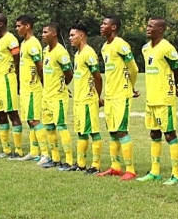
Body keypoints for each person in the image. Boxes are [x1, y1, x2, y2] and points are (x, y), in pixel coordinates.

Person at [136, 17, 178, 185]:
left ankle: (176, 174)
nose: (148, 28)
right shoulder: (146, 48)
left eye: (151, 26)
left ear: (161, 29)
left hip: (165, 99)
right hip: (151, 99)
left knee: (169, 134)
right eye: (147, 25)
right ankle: (154, 171)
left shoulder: (167, 48)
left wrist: (173, 86)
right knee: (154, 133)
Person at [97, 16, 139, 180]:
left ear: (113, 27)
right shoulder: (104, 47)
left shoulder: (121, 44)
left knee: (122, 131)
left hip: (121, 94)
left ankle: (130, 169)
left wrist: (131, 86)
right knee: (113, 131)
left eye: (105, 24)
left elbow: (133, 68)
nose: (102, 26)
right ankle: (115, 167)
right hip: (110, 95)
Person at [69, 23, 103, 173]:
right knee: (81, 131)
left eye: (72, 35)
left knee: (93, 131)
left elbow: (97, 77)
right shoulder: (77, 54)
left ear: (81, 36)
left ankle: (95, 165)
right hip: (78, 99)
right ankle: (80, 163)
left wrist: (97, 96)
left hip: (88, 99)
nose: (70, 38)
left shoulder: (89, 53)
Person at [15, 15, 50, 162]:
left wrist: (42, 84)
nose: (17, 29)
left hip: (32, 88)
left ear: (27, 26)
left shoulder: (33, 43)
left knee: (35, 120)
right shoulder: (24, 43)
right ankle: (34, 152)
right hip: (25, 88)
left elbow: (40, 66)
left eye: (19, 26)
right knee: (29, 120)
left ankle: (46, 154)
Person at [40, 23, 74, 169]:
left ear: (54, 34)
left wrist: (62, 86)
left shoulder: (61, 52)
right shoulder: (46, 50)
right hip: (46, 96)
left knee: (61, 126)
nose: (42, 34)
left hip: (58, 97)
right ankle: (54, 158)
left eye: (45, 32)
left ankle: (69, 160)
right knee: (49, 127)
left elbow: (69, 74)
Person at [0, 13, 22, 158]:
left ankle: (19, 150)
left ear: (1, 24)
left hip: (8, 80)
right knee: (0, 114)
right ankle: (6, 149)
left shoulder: (11, 39)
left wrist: (18, 79)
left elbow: (17, 59)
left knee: (12, 113)